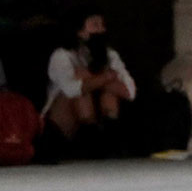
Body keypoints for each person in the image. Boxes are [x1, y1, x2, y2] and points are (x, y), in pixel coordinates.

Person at [42, 8, 136, 156]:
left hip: (98, 114)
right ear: (80, 31)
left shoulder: (110, 55)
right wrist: (103, 77)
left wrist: (99, 79)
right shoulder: (62, 55)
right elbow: (71, 90)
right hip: (64, 123)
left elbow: (130, 92)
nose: (101, 30)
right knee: (82, 88)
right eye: (95, 25)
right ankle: (85, 142)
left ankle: (108, 142)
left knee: (109, 94)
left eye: (102, 25)